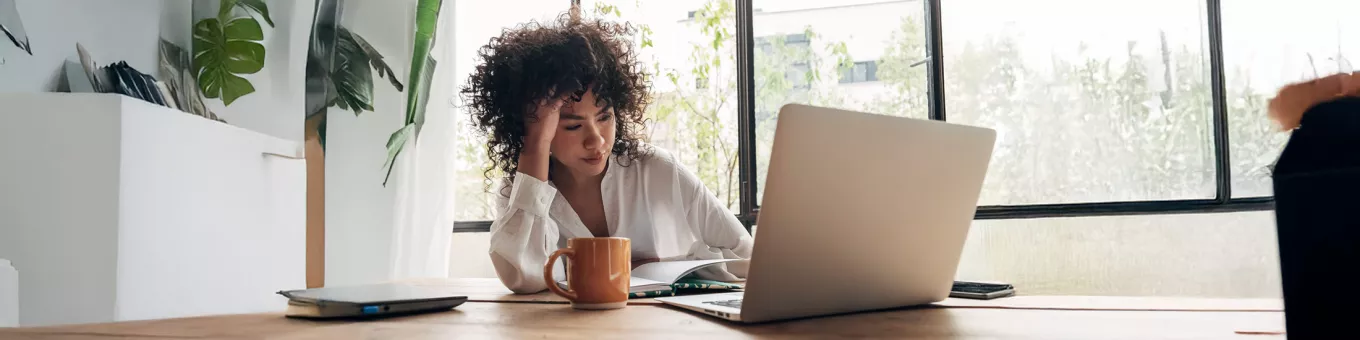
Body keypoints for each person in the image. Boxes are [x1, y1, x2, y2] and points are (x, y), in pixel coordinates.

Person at [462, 8, 753, 294]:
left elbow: (746, 255)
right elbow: (523, 278)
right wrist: (535, 144)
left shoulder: (657, 170)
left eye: (605, 118)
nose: (597, 141)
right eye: (573, 127)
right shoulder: (518, 190)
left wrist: (655, 268)